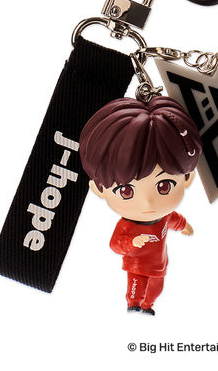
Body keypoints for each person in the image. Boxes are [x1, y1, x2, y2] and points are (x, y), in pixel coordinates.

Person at [79, 96, 202, 315]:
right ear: (99, 189)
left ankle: (147, 306)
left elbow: (174, 220)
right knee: (136, 287)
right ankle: (133, 304)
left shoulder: (164, 216)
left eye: (164, 186)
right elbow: (115, 245)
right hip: (136, 266)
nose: (147, 202)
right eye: (126, 191)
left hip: (160, 265)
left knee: (156, 289)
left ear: (187, 178)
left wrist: (185, 226)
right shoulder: (127, 225)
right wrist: (132, 242)